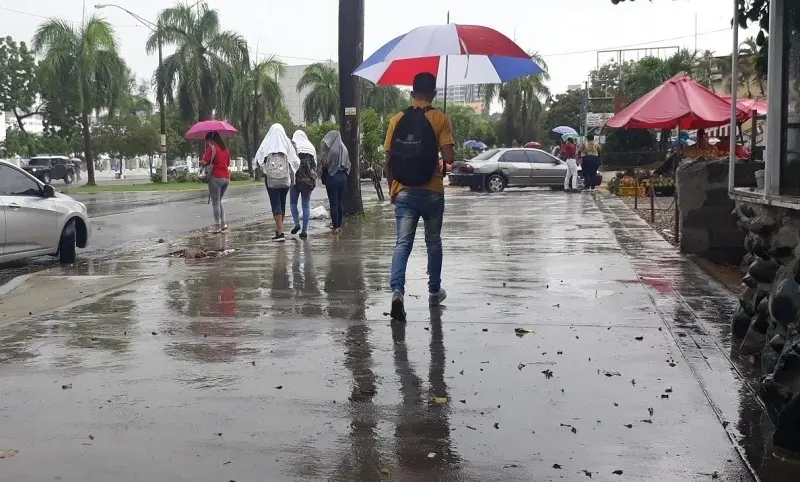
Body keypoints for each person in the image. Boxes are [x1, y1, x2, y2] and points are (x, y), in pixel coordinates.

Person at [385, 72, 454, 322]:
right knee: (433, 243)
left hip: (403, 190)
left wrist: (393, 189)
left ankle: (397, 291)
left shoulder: (397, 119)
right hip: (432, 190)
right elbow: (449, 158)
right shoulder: (440, 118)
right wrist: (441, 143)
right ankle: (434, 292)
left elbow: (389, 158)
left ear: (413, 93)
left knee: (402, 244)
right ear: (434, 93)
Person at [256, 123, 300, 242]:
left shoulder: (266, 143)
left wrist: (266, 169)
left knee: (275, 202)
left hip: (271, 179)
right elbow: (296, 161)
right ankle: (279, 229)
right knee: (282, 202)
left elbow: (259, 159)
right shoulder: (287, 143)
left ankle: (280, 233)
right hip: (285, 179)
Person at [318, 130, 350, 234]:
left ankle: (335, 226)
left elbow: (325, 164)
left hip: (332, 177)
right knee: (340, 202)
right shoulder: (344, 149)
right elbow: (348, 164)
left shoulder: (331, 150)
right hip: (343, 177)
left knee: (333, 203)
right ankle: (339, 226)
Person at [200, 131, 231, 233]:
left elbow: (205, 162)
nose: (207, 143)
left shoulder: (211, 149)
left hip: (216, 177)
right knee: (219, 201)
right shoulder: (225, 149)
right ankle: (224, 223)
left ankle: (217, 226)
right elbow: (227, 164)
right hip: (226, 178)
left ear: (210, 140)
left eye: (207, 141)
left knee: (215, 203)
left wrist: (201, 161)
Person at [290, 130, 317, 239]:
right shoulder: (311, 147)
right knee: (306, 205)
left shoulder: (292, 146)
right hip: (308, 180)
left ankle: (297, 223)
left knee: (293, 203)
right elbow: (315, 165)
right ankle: (304, 230)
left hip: (295, 179)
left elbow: (290, 162)